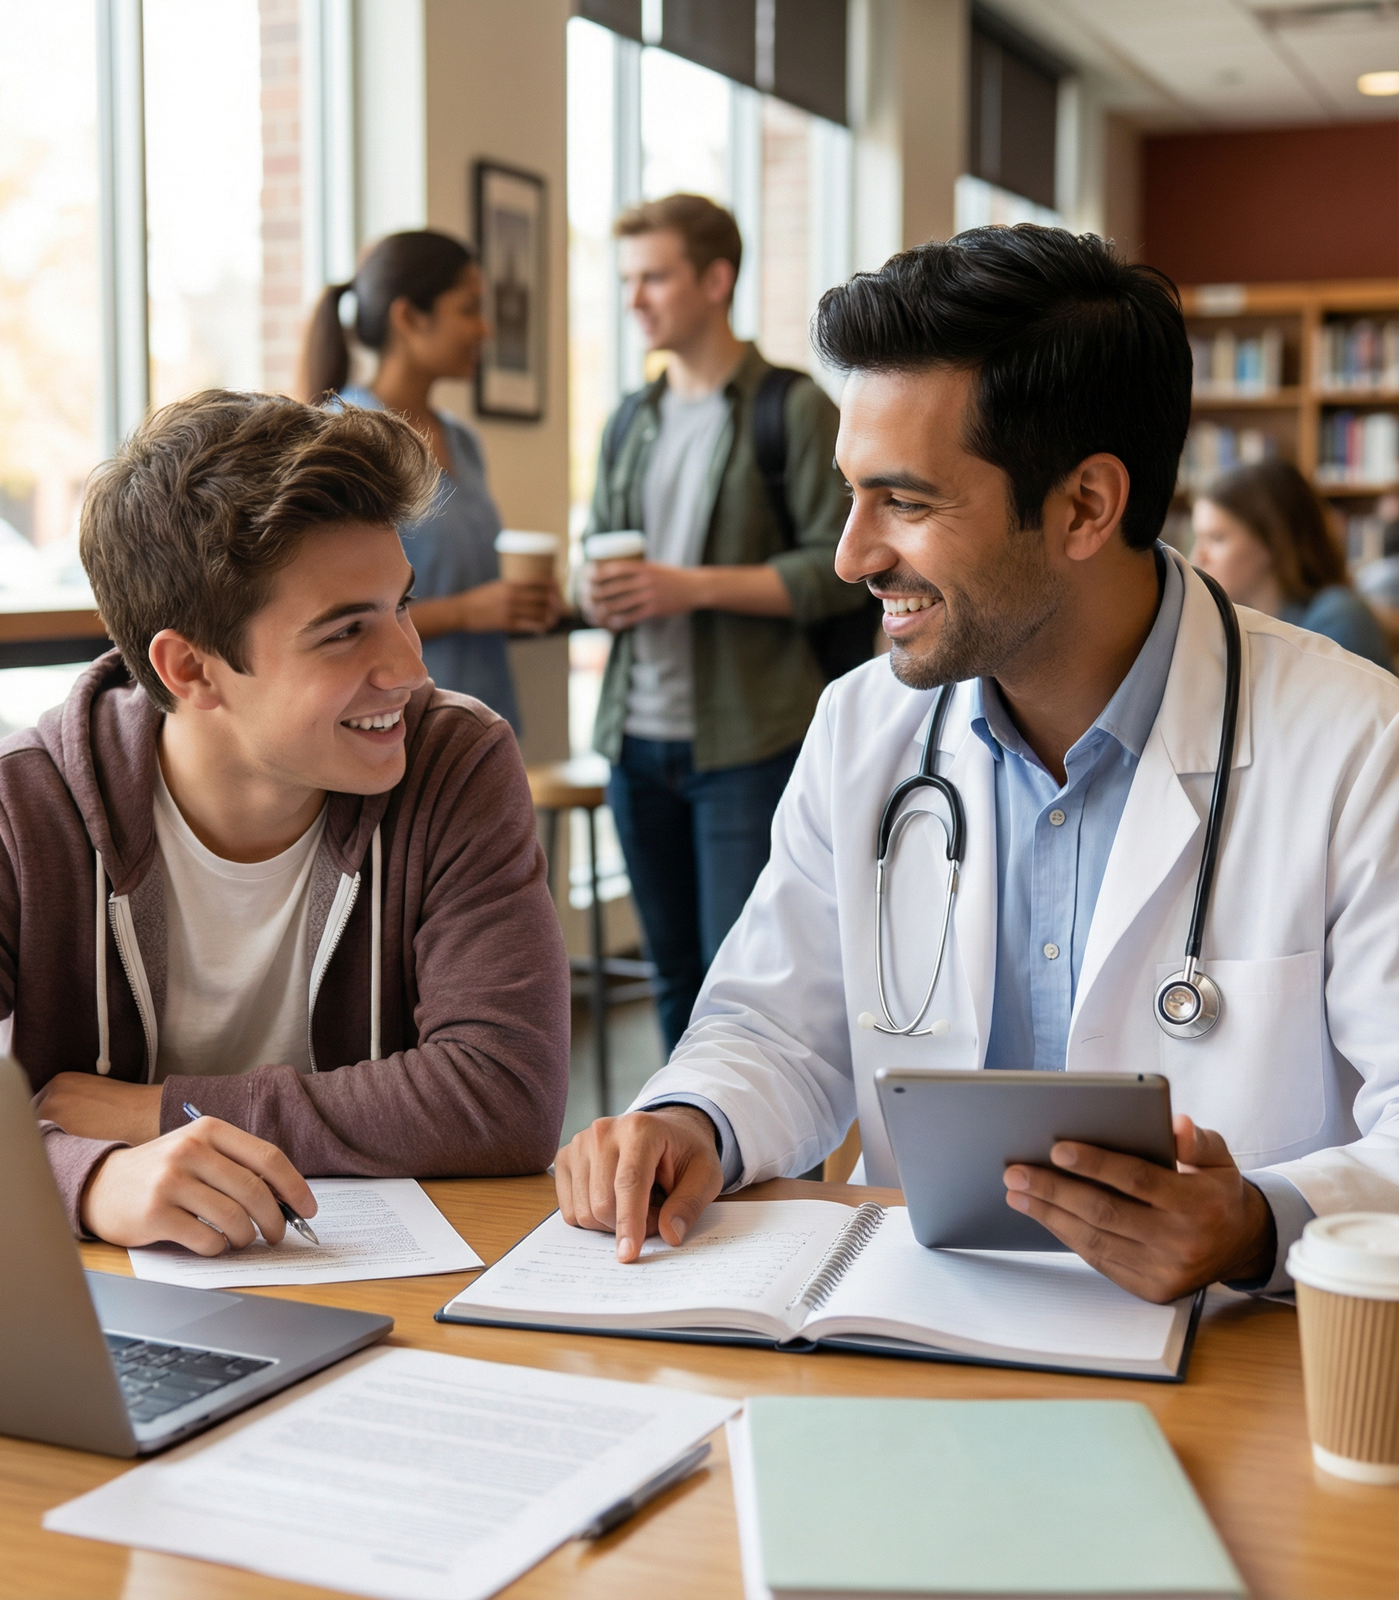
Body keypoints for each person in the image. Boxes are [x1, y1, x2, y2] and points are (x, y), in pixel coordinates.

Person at [555, 225, 1399, 1305]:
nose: (852, 555)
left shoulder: (1356, 745)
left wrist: (1257, 1224)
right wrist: (690, 1120)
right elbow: (775, 1028)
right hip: (912, 1329)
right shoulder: (860, 730)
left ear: (1085, 506)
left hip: (1235, 1356)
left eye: (903, 502)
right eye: (851, 494)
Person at [0, 390, 569, 1253]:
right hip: (105, 1319)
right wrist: (89, 1180)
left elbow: (505, 1095)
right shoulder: (17, 808)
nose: (408, 663)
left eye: (401, 604)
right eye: (344, 633)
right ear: (188, 669)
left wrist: (161, 1112)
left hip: (401, 1303)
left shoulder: (455, 764)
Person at [580, 193, 870, 1051]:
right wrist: (593, 593)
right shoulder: (630, 419)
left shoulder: (792, 409)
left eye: (655, 276)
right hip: (636, 740)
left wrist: (690, 587)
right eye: (628, 278)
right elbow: (597, 548)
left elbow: (838, 568)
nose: (635, 298)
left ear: (716, 279)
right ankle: (684, 1149)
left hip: (747, 741)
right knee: (671, 973)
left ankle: (766, 1172)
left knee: (747, 986)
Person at [299, 230, 561, 733]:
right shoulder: (344, 437)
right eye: (468, 309)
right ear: (409, 317)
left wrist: (520, 602)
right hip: (390, 723)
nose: (485, 328)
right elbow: (327, 613)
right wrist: (466, 612)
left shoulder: (463, 441)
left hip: (478, 720)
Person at [1191, 459, 1392, 671]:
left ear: (1272, 541)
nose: (1197, 557)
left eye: (1216, 538)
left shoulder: (1338, 620)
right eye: (1198, 538)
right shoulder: (1230, 628)